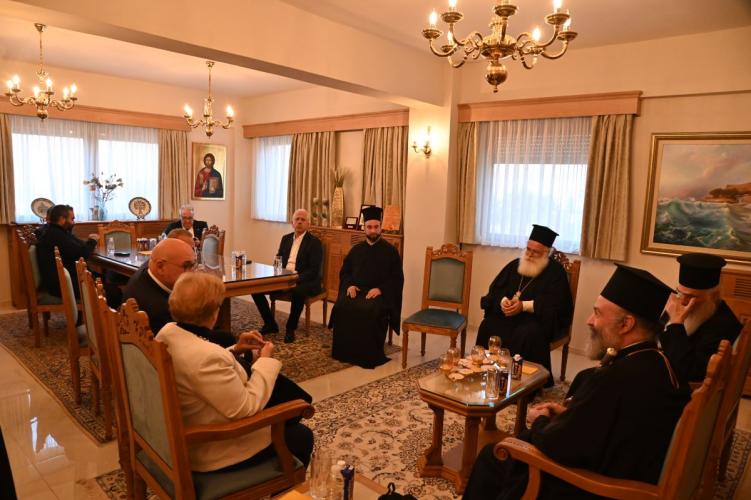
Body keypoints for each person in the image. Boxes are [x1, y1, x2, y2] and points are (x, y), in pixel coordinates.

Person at [463, 264, 690, 500]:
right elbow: (606, 424)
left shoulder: (613, 378)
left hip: (593, 487)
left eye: (598, 313)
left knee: (493, 456)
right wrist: (567, 414)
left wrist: (539, 420)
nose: (590, 321)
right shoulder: (659, 360)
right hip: (623, 467)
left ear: (626, 324)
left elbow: (557, 445)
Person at [156, 272, 313, 472]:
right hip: (212, 448)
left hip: (186, 425)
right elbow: (245, 408)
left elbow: (199, 365)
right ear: (213, 312)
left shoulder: (168, 331)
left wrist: (235, 349)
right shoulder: (207, 357)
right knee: (301, 436)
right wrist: (265, 361)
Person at [476, 225, 573, 384]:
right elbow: (496, 289)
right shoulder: (515, 265)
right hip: (509, 317)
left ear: (546, 252)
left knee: (527, 334)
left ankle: (523, 383)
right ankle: (486, 371)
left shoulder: (556, 273)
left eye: (535, 252)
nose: (529, 254)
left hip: (537, 320)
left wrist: (523, 306)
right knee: (488, 324)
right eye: (528, 249)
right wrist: (504, 302)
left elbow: (557, 305)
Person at [330, 206, 403, 368]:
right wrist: (349, 285)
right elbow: (345, 272)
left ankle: (368, 356)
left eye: (376, 227)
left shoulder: (390, 252)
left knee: (370, 309)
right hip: (357, 290)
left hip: (378, 294)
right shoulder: (356, 250)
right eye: (369, 227)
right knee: (341, 306)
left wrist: (381, 289)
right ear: (364, 228)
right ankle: (344, 352)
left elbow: (397, 279)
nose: (373, 230)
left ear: (380, 227)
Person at [660, 253, 742, 385]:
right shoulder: (679, 303)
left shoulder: (724, 324)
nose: (683, 302)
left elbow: (691, 372)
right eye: (680, 293)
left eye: (692, 297)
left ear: (713, 296)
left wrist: (676, 324)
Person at [252, 209, 323, 343]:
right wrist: (277, 275)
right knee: (255, 288)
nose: (299, 222)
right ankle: (270, 323)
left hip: (304, 280)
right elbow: (278, 259)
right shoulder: (285, 239)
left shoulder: (314, 243)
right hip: (283, 278)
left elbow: (313, 270)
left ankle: (290, 328)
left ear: (308, 224)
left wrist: (294, 278)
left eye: (303, 220)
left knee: (298, 292)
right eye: (297, 219)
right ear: (292, 223)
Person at [36, 204, 99, 299]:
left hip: (62, 279)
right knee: (112, 291)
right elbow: (82, 254)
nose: (73, 222)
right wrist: (93, 241)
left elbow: (78, 245)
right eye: (72, 219)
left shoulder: (54, 230)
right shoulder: (56, 235)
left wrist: (89, 243)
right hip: (62, 284)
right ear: (62, 219)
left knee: (102, 280)